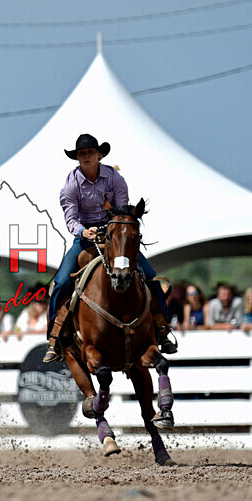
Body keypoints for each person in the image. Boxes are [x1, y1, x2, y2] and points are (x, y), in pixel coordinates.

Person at [44, 133, 175, 362]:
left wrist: (111, 230)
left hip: (115, 236)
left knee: (151, 277)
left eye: (90, 153)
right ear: (77, 158)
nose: (86, 157)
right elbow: (70, 219)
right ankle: (54, 339)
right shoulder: (70, 185)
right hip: (85, 239)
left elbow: (122, 209)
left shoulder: (115, 178)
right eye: (82, 154)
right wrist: (84, 231)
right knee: (61, 282)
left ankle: (162, 330)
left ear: (99, 155)